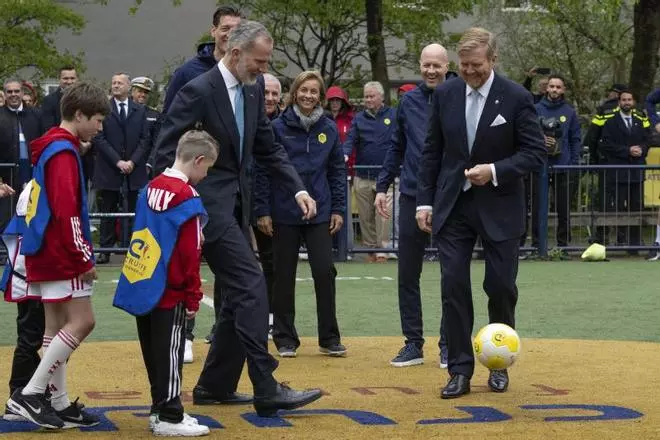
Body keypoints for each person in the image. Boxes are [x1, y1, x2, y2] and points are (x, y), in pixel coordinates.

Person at [153, 20, 322, 416]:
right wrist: (183, 204)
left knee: (234, 293)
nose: (263, 71)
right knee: (250, 283)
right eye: (258, 63)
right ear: (234, 53)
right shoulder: (197, 90)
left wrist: (297, 188)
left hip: (236, 207)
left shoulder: (252, 88)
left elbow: (267, 145)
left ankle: (215, 385)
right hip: (204, 209)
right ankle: (265, 383)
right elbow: (165, 153)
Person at [416, 27, 545, 399]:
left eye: (477, 65)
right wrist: (425, 201)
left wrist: (494, 171)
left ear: (493, 60)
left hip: (501, 205)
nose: (470, 72)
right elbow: (432, 152)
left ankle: (499, 363)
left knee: (500, 287)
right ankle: (458, 370)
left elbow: (535, 153)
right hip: (454, 206)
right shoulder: (445, 95)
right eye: (465, 65)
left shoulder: (517, 98)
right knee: (453, 285)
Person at [6, 81, 111, 428]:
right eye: (96, 119)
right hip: (60, 251)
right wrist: (84, 257)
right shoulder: (63, 152)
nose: (100, 126)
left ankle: (59, 400)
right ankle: (33, 393)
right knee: (83, 322)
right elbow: (68, 212)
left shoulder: (52, 146)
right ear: (78, 114)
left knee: (55, 327)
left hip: (44, 248)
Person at [113, 130, 218, 437]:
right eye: (207, 169)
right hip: (170, 289)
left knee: (154, 352)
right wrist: (193, 295)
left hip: (143, 280)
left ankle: (160, 409)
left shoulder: (149, 187)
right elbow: (189, 251)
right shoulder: (188, 196)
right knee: (170, 353)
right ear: (198, 160)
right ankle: (169, 414)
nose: (205, 176)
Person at [157, 3, 243, 352]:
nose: (229, 33)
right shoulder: (189, 74)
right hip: (194, 188)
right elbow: (169, 126)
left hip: (233, 190)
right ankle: (185, 333)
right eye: (225, 27)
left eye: (236, 28)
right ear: (213, 31)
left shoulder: (245, 75)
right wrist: (171, 184)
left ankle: (220, 335)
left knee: (231, 272)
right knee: (186, 260)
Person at [255, 70, 346, 358]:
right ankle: (285, 338)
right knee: (283, 274)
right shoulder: (278, 128)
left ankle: (329, 338)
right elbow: (264, 170)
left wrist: (339, 209)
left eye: (314, 92)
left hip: (320, 212)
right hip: (284, 211)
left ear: (320, 96)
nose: (308, 96)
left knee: (324, 271)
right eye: (303, 90)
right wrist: (263, 210)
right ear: (294, 93)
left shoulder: (329, 129)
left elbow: (336, 171)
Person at [375, 43, 450, 368]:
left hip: (449, 197)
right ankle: (413, 344)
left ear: (447, 66)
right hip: (410, 194)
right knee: (407, 273)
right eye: (426, 65)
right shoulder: (408, 102)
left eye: (437, 65)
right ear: (420, 66)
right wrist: (381, 185)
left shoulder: (460, 96)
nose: (431, 70)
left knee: (453, 274)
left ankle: (450, 344)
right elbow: (397, 146)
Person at [93, 73, 150, 264]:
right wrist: (118, 161)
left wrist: (132, 161)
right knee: (107, 210)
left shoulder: (139, 110)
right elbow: (99, 138)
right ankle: (105, 250)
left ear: (128, 87)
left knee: (134, 210)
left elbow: (145, 139)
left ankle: (132, 249)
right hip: (109, 168)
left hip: (134, 169)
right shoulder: (103, 108)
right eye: (113, 82)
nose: (116, 86)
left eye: (120, 83)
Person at [344, 81, 396, 262]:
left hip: (386, 177)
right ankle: (370, 249)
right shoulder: (358, 119)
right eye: (366, 96)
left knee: (384, 215)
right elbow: (350, 139)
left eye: (371, 96)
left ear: (381, 97)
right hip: (362, 176)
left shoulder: (393, 115)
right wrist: (344, 154)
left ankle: (383, 249)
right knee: (365, 216)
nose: (368, 99)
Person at [598, 90, 651, 250]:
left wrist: (641, 149)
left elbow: (648, 139)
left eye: (629, 99)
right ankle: (620, 240)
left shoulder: (640, 120)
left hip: (636, 171)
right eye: (623, 100)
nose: (626, 102)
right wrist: (627, 150)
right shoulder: (610, 121)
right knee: (619, 206)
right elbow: (605, 144)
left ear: (633, 102)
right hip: (618, 171)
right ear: (619, 102)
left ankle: (635, 243)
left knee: (637, 206)